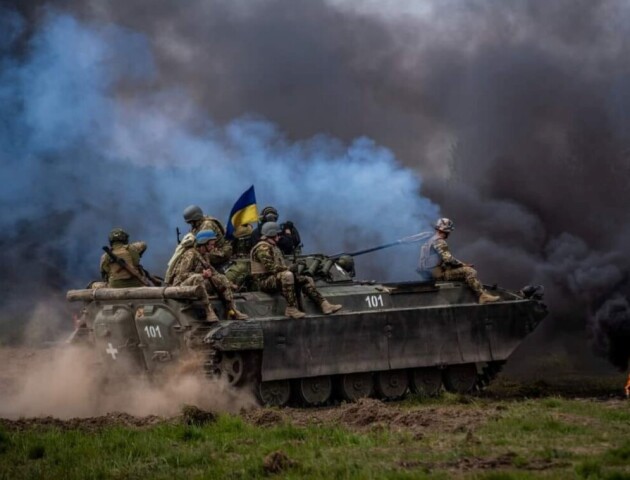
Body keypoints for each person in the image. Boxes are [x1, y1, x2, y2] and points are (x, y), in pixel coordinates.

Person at [250, 222, 342, 319]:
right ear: (270, 235)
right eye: (276, 235)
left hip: (274, 278)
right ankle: (291, 309)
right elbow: (271, 268)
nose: (278, 237)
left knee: (303, 279)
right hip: (263, 281)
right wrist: (289, 269)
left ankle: (324, 304)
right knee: (288, 275)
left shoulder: (273, 247)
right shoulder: (262, 248)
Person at [169, 230, 248, 321]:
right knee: (198, 278)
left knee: (220, 278)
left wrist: (228, 283)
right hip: (181, 286)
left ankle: (232, 309)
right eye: (211, 244)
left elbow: (213, 272)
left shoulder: (204, 255)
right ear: (203, 243)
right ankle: (208, 311)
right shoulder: (190, 254)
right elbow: (182, 275)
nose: (213, 247)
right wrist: (202, 275)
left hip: (196, 284)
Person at [417, 218, 500, 305]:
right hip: (437, 274)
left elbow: (438, 260)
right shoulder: (440, 242)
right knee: (469, 271)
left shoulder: (429, 239)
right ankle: (482, 296)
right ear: (447, 231)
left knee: (451, 267)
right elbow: (449, 259)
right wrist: (463, 265)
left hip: (427, 273)